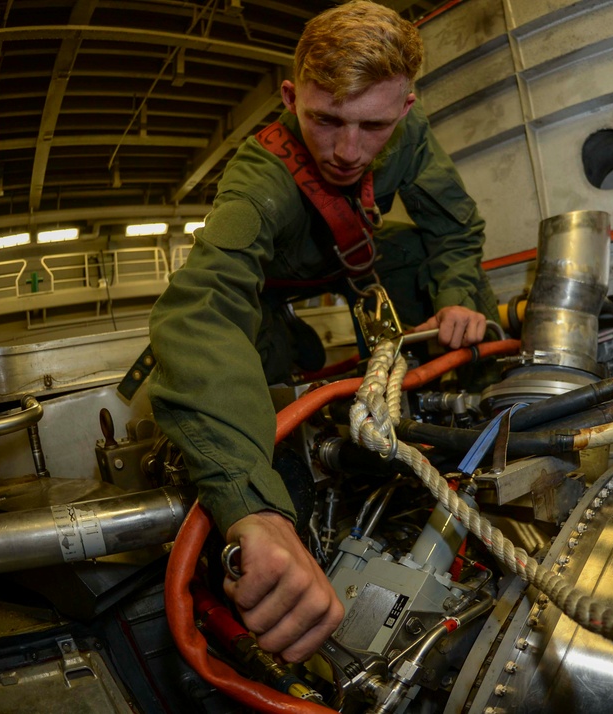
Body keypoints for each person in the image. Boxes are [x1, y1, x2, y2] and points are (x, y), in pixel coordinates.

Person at [148, 1, 499, 664]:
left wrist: (455, 301)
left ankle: (477, 431)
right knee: (264, 392)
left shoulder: (412, 133)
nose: (347, 151)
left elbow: (454, 228)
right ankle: (293, 521)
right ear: (290, 97)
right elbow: (202, 308)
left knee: (428, 262)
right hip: (270, 293)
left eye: (373, 126)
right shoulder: (258, 178)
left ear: (405, 106)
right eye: (325, 119)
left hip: (355, 258)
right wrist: (251, 507)